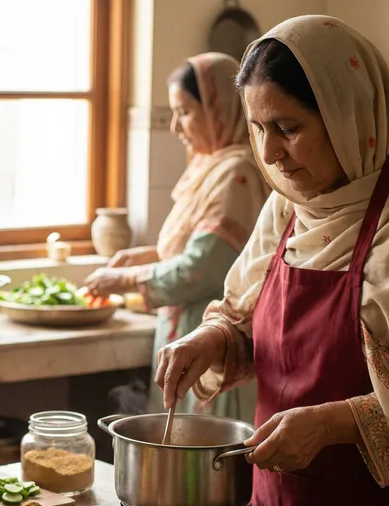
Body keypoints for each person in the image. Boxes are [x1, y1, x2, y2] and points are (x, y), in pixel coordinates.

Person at [156, 16, 389, 506]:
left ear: (350, 116)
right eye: (258, 129)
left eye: (288, 128)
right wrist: (211, 337)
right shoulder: (288, 209)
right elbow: (244, 317)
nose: (270, 154)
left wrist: (329, 424)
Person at [85, 53, 268, 420]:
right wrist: (147, 256)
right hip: (184, 334)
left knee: (204, 459)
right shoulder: (210, 167)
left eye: (184, 112)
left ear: (219, 110)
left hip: (212, 343)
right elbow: (199, 245)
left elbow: (201, 269)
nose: (174, 126)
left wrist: (122, 279)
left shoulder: (236, 174)